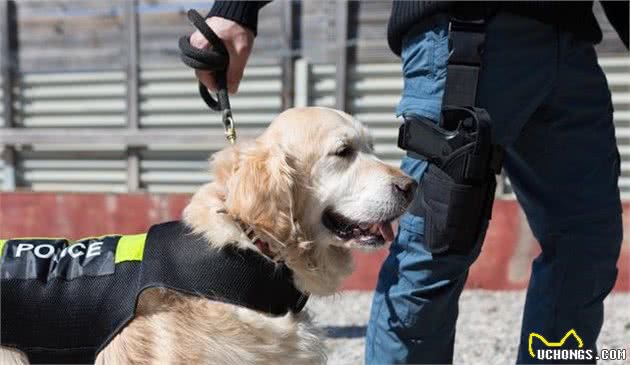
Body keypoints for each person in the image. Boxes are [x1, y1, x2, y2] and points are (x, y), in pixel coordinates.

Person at [190, 1, 629, 364]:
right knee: (435, 245)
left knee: (588, 243)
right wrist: (238, 8)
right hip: (466, 29)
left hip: (572, 43)